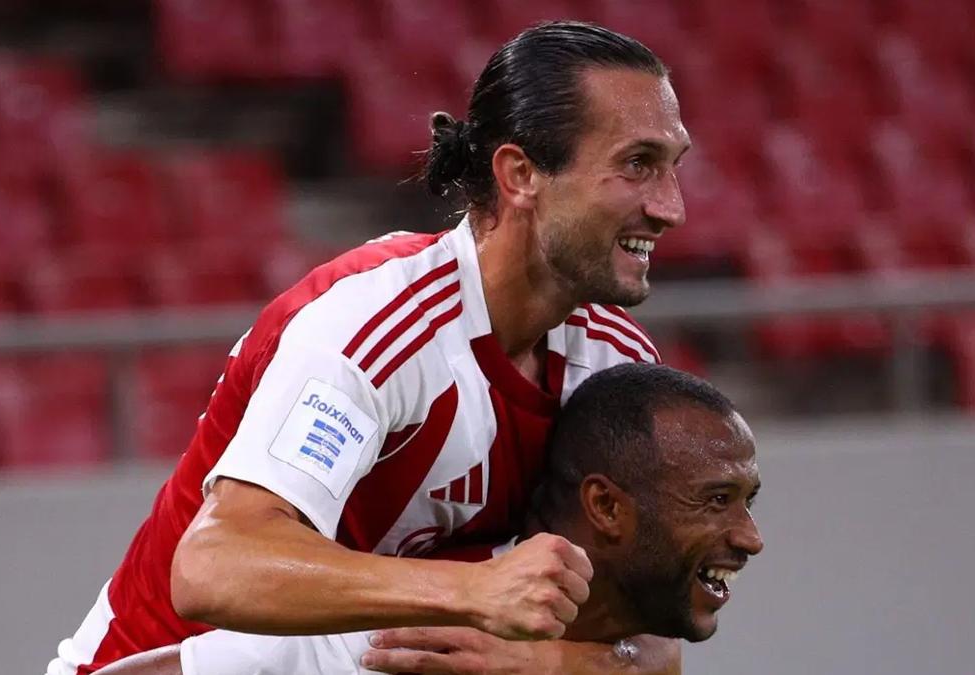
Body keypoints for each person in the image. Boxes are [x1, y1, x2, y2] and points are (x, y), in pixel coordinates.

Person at [48, 20, 690, 675]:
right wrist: (472, 591)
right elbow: (213, 565)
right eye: (637, 164)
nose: (672, 208)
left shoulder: (616, 363)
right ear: (520, 174)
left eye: (674, 167)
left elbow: (653, 640)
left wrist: (544, 662)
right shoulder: (377, 325)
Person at [95, 364, 763, 675]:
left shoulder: (632, 650)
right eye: (716, 500)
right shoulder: (418, 643)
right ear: (607, 507)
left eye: (747, 500)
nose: (750, 538)